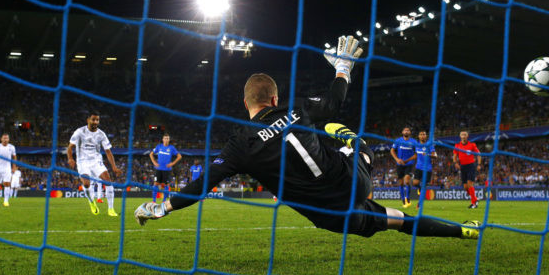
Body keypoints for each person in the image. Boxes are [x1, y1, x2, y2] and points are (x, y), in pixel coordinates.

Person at [135, 35, 479, 240]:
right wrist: (342, 69)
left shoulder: (239, 146)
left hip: (329, 216)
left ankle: (461, 231)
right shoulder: (296, 108)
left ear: (245, 104)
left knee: (396, 221)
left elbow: (202, 184)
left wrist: (161, 208)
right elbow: (334, 101)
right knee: (359, 145)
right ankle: (462, 230)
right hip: (351, 183)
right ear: (274, 99)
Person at [67, 111, 123, 216]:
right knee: (86, 184)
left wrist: (114, 167)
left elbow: (108, 151)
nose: (95, 122)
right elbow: (70, 147)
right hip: (82, 162)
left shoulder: (101, 134)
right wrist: (70, 158)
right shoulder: (80, 132)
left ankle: (111, 209)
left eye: (97, 120)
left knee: (108, 180)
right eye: (93, 119)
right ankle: (92, 202)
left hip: (96, 161)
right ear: (88, 120)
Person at [149, 134, 182, 203]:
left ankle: (164, 201)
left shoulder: (172, 148)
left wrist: (172, 163)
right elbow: (151, 154)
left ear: (169, 140)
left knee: (166, 185)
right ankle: (154, 201)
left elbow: (179, 156)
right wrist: (154, 162)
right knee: (155, 184)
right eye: (165, 138)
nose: (166, 140)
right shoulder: (159, 146)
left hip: (167, 170)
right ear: (163, 139)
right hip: (158, 169)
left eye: (167, 138)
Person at [453, 131, 482, 209]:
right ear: (460, 136)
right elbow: (454, 156)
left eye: (465, 135)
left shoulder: (472, 145)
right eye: (462, 134)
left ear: (467, 136)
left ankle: (474, 203)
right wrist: (455, 163)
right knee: (465, 187)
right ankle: (475, 198)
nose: (463, 136)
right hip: (462, 167)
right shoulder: (457, 145)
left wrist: (479, 164)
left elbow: (479, 154)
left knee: (470, 184)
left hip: (471, 166)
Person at [391, 127, 417, 208]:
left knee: (407, 181)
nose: (406, 131)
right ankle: (403, 199)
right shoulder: (398, 140)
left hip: (409, 164)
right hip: (399, 165)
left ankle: (408, 198)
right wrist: (397, 159)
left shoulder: (414, 142)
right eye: (405, 130)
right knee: (401, 183)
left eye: (408, 130)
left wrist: (407, 160)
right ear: (402, 132)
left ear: (410, 132)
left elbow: (416, 154)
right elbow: (392, 150)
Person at [0, 133, 16, 207]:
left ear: (8, 139)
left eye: (6, 138)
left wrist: (14, 167)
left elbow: (14, 157)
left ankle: (6, 201)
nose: (5, 140)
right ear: (1, 139)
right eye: (4, 138)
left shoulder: (12, 147)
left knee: (7, 184)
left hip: (7, 168)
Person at [413, 130, 437, 208]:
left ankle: (419, 204)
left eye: (424, 134)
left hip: (427, 168)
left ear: (426, 136)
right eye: (421, 134)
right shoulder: (417, 145)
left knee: (424, 186)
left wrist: (428, 154)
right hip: (418, 167)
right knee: (415, 183)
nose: (423, 135)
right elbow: (416, 155)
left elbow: (435, 156)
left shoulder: (430, 145)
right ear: (418, 136)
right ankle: (420, 189)